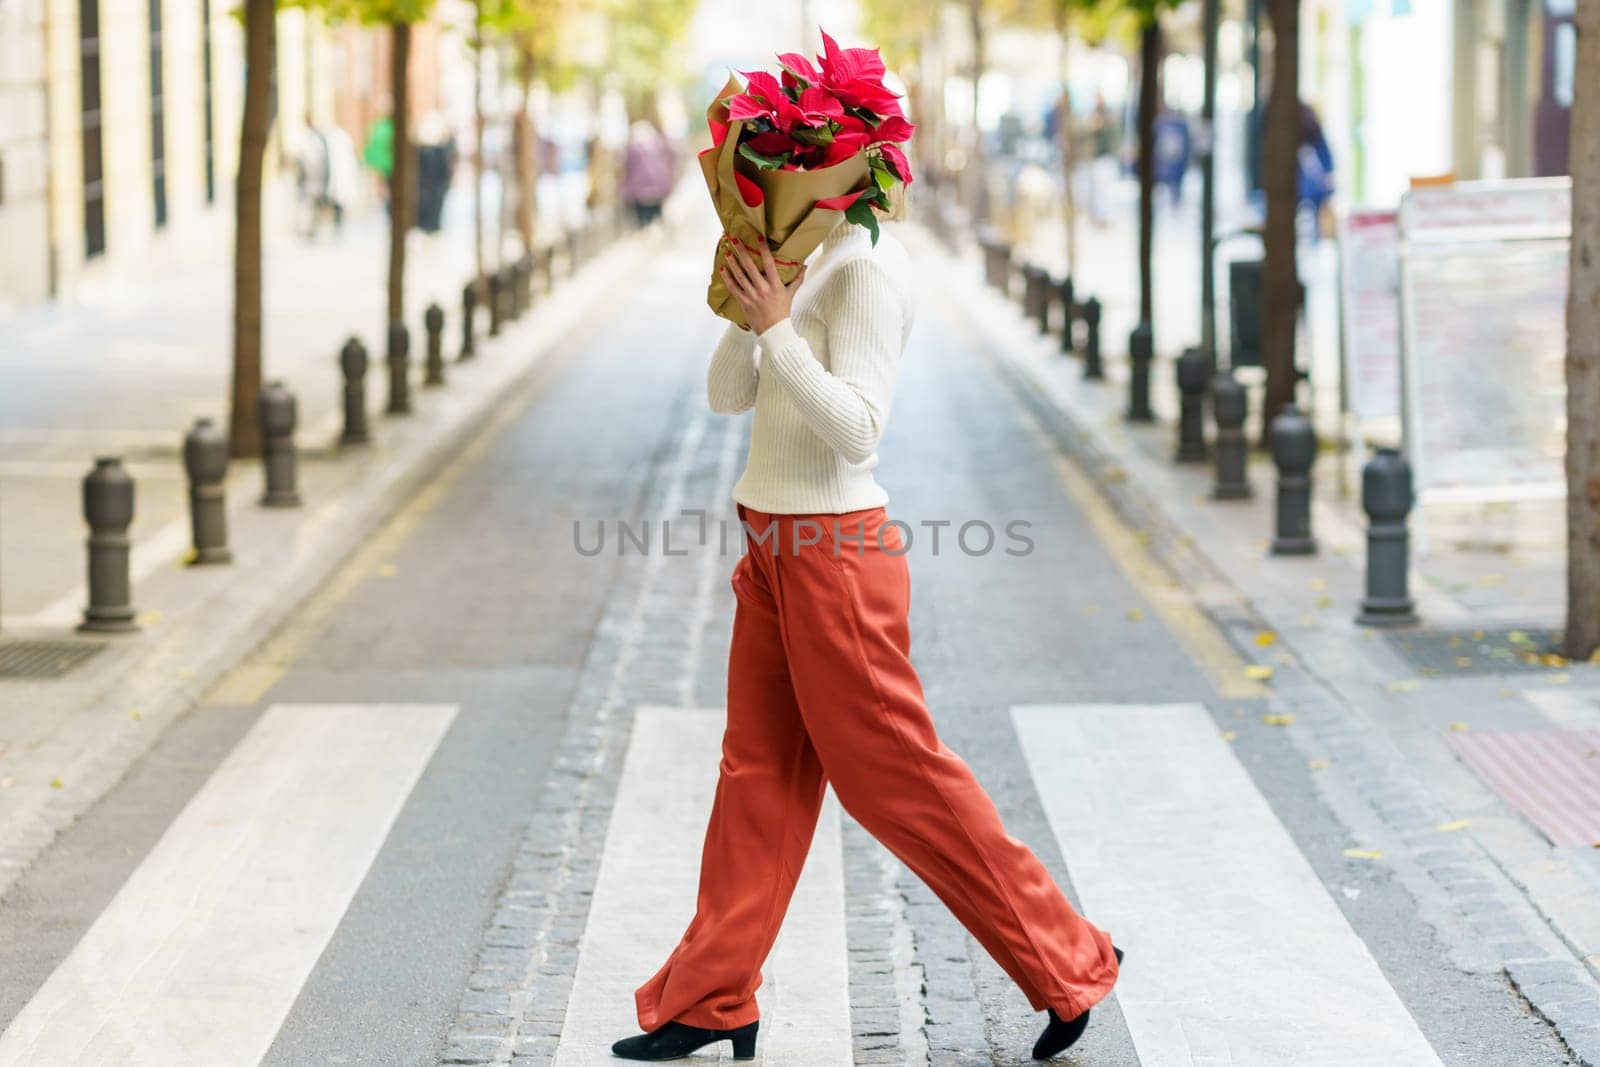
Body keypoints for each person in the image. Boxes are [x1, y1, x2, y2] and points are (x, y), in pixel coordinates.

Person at [608, 127, 1123, 1063]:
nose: (767, 183)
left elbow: (858, 428)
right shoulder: (800, 260)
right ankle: (714, 995)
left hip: (836, 555)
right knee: (754, 774)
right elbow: (730, 398)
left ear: (840, 174)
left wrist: (778, 329)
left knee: (896, 781)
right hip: (769, 542)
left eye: (785, 167)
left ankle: (1069, 957)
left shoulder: (870, 271)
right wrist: (747, 306)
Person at [621, 118, 677, 228]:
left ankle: (649, 238)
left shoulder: (632, 148)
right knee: (657, 220)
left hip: (639, 192)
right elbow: (670, 159)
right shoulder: (659, 144)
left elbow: (627, 168)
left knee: (643, 222)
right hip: (658, 189)